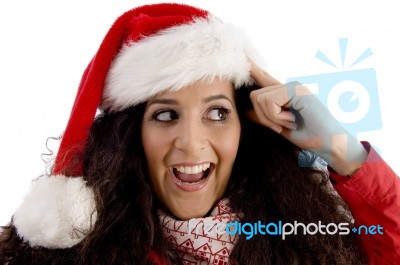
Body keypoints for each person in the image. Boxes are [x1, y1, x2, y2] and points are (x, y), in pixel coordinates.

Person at [0, 3, 399, 265]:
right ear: (129, 136)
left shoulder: (309, 237)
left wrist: (343, 151)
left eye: (217, 112)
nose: (191, 142)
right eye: (165, 114)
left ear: (246, 128)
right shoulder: (79, 256)